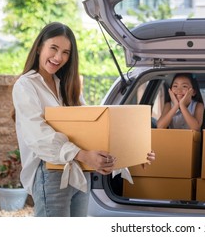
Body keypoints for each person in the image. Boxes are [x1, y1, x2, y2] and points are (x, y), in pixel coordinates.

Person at [12, 22, 155, 217]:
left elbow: (92, 129)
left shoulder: (67, 87)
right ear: (39, 48)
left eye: (65, 52)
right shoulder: (26, 85)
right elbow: (39, 135)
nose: (58, 57)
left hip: (79, 171)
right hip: (52, 172)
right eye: (53, 48)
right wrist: (84, 156)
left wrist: (132, 153)